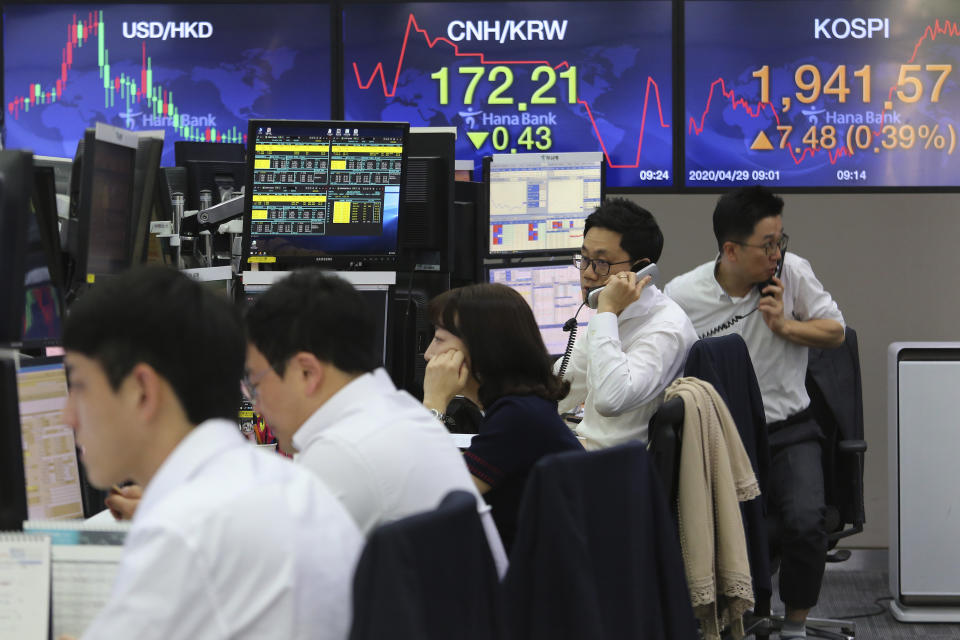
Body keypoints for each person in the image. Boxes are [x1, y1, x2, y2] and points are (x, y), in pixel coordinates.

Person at [61, 266, 362, 640]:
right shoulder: (299, 486)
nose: (67, 416)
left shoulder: (181, 533)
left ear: (141, 390)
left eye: (80, 385)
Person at [664, 186, 845, 640]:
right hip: (722, 437)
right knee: (730, 533)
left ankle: (795, 628)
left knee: (805, 521)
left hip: (790, 428)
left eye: (779, 241)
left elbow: (836, 331)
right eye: (767, 245)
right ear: (730, 250)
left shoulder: (793, 274)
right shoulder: (684, 295)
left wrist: (785, 325)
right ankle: (739, 619)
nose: (776, 254)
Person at [243, 269, 505, 569]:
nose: (255, 403)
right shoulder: (397, 414)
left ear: (307, 372)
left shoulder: (340, 453)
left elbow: (288, 590)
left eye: (255, 382)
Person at [422, 283, 584, 549]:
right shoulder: (523, 407)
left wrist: (434, 401)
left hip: (524, 578)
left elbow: (435, 498)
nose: (429, 354)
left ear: (483, 347)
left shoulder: (517, 417)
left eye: (439, 339)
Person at [555, 197, 698, 449]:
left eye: (601, 263)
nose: (588, 273)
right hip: (587, 459)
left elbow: (611, 400)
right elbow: (559, 389)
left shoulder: (665, 329)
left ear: (642, 271)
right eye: (584, 259)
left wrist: (607, 310)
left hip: (622, 475)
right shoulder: (615, 317)